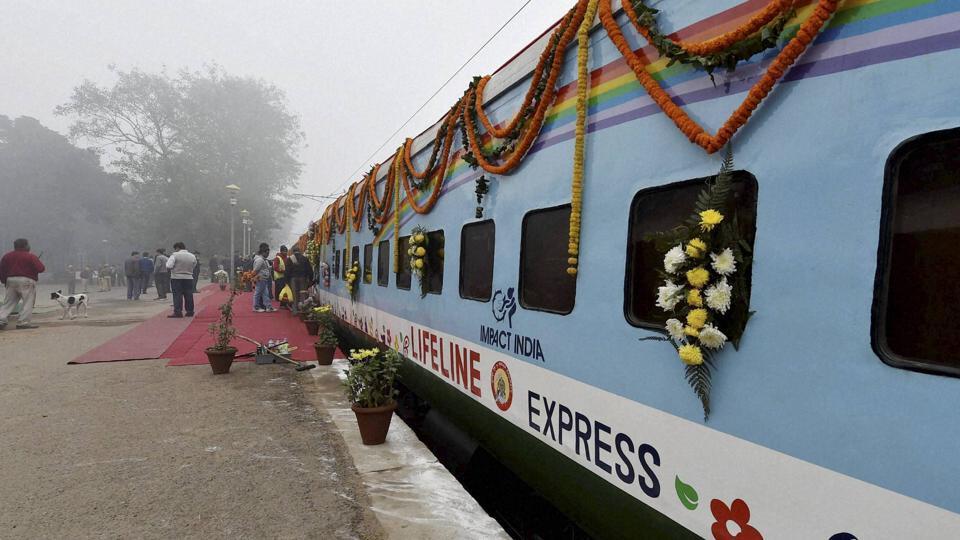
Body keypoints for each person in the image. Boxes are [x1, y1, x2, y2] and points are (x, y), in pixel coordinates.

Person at [0, 238, 46, 330]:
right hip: (26, 281)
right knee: (28, 301)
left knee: (8, 302)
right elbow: (41, 269)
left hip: (10, 280)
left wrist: (4, 281)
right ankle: (23, 322)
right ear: (25, 246)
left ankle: (1, 319)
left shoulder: (7, 256)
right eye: (28, 244)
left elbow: (2, 270)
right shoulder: (30, 256)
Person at [166, 242, 198, 318]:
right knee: (189, 294)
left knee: (177, 295)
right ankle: (190, 311)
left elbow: (168, 265)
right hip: (188, 277)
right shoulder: (192, 256)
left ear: (177, 248)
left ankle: (178, 312)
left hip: (176, 278)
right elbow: (194, 265)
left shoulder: (175, 255)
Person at [286, 245, 314, 314]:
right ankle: (302, 311)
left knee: (294, 295)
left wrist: (287, 281)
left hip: (293, 279)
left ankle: (295, 311)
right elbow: (309, 270)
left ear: (293, 251)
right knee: (302, 294)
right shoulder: (304, 258)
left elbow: (287, 271)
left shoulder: (290, 259)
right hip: (303, 278)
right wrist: (310, 279)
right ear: (300, 251)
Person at [252, 243, 274, 313]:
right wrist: (253, 278)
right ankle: (256, 307)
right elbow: (256, 270)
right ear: (263, 252)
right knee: (258, 293)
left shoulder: (263, 259)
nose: (268, 255)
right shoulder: (260, 260)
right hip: (260, 278)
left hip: (263, 278)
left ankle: (268, 306)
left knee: (265, 293)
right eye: (267, 253)